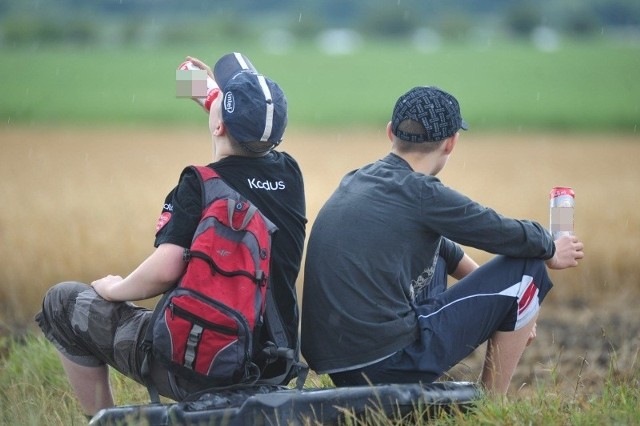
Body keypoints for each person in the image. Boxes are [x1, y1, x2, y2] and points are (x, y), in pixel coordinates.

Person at [35, 52, 306, 418]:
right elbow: (248, 145)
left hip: (203, 367)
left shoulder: (198, 184)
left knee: (62, 302)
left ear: (218, 125)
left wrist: (114, 287)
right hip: (272, 363)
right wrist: (211, 98)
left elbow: (164, 270)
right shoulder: (290, 176)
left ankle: (104, 421)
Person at [300, 86, 584, 394]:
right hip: (384, 363)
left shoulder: (359, 177)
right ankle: (489, 405)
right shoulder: (422, 193)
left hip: (340, 362)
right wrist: (551, 248)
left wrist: (509, 307)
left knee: (435, 251)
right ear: (451, 143)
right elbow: (500, 231)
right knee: (530, 268)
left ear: (391, 132)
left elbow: (444, 248)